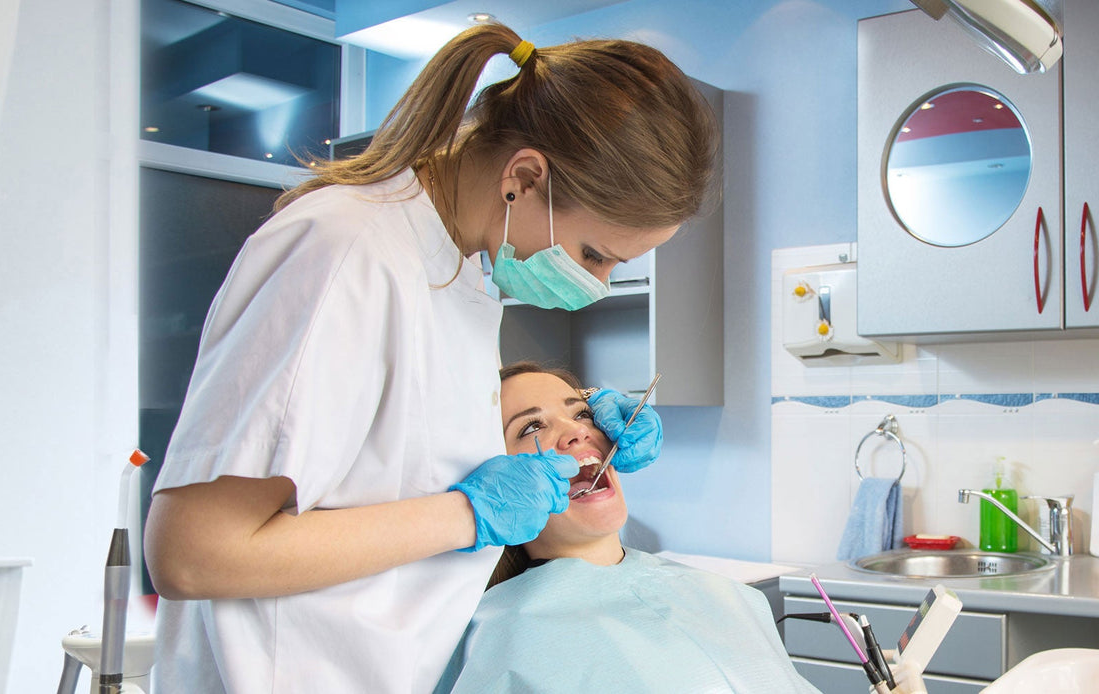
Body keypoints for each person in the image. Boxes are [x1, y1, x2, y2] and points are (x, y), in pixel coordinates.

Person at [141, 23, 718, 694]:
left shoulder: (458, 273)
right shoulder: (347, 249)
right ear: (525, 178)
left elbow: (385, 470)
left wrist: (578, 424)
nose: (595, 284)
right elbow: (191, 553)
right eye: (595, 254)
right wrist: (470, 513)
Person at [437, 363, 820, 694]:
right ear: (493, 478)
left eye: (583, 414)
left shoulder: (729, 596)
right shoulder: (505, 641)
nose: (576, 432)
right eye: (531, 426)